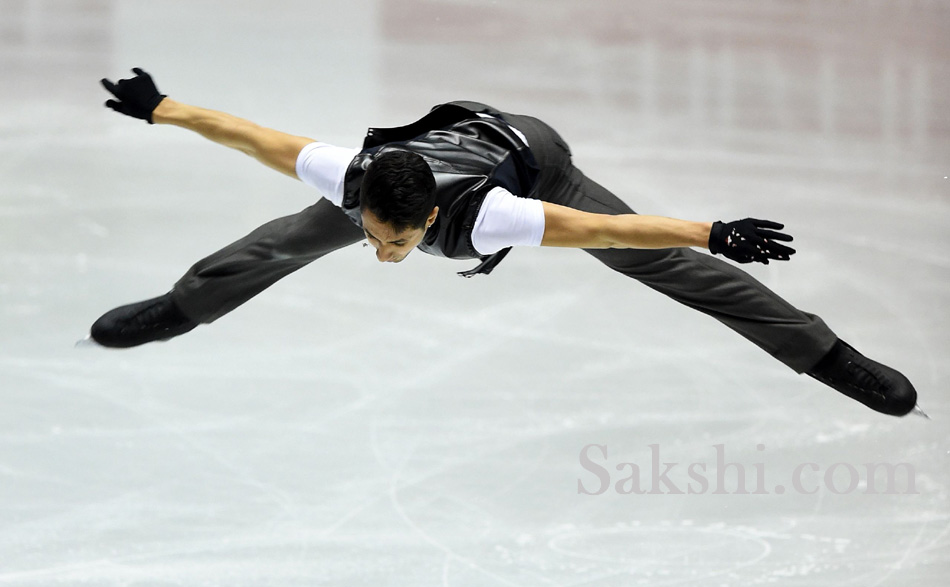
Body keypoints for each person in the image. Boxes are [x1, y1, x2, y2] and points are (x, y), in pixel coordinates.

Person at [89, 68, 920, 418]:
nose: (383, 255)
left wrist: (715, 230)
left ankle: (827, 354)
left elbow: (615, 230)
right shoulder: (350, 177)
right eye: (375, 236)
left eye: (395, 244)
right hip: (445, 146)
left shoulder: (497, 219)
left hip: (533, 159)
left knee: (661, 268)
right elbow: (247, 134)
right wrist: (162, 108)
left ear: (427, 226)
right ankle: (181, 307)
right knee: (276, 243)